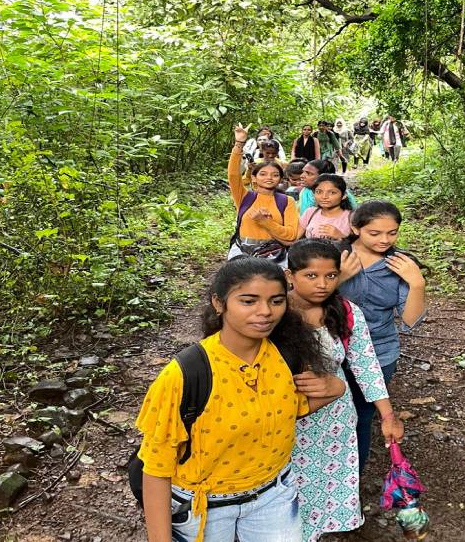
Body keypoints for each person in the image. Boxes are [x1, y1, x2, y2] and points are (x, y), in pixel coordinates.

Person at [136, 258, 346, 542]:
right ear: (219, 303)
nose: (265, 312)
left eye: (276, 301)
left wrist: (336, 389)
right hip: (204, 507)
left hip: (274, 495)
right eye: (248, 301)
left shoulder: (285, 355)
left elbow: (286, 411)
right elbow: (156, 467)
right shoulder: (187, 373)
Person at [286, 240, 404, 541]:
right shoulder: (272, 312)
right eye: (311, 276)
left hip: (334, 423)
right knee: (285, 491)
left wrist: (387, 415)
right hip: (285, 420)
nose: (322, 284)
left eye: (330, 276)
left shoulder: (347, 312)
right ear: (290, 276)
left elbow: (365, 364)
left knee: (325, 484)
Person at [338, 201, 426, 472]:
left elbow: (410, 320)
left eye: (392, 233)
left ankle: (354, 477)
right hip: (332, 350)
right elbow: (308, 300)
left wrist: (417, 283)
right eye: (374, 233)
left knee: (363, 416)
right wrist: (338, 277)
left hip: (380, 351)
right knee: (329, 414)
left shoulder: (399, 265)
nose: (385, 240)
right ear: (355, 228)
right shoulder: (335, 256)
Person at [227, 125, 299, 264]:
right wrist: (239, 144)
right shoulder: (244, 197)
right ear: (254, 178)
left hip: (274, 254)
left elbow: (291, 234)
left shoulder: (286, 201)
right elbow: (233, 175)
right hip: (242, 252)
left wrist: (265, 222)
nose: (269, 178)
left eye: (275, 175)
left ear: (280, 178)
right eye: (263, 174)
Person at [298, 174, 353, 241]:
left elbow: (359, 248)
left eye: (332, 192)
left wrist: (341, 236)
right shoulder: (310, 212)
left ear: (344, 195)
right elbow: (294, 240)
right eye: (319, 192)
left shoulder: (351, 217)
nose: (324, 197)